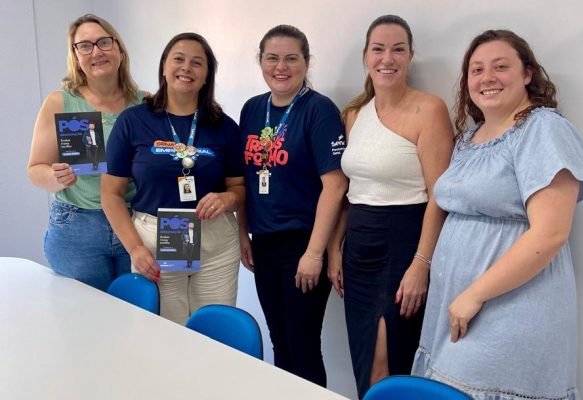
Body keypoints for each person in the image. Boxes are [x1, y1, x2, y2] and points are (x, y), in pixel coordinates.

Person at [411, 30, 583, 400]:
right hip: (457, 303)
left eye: (500, 67)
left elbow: (550, 233)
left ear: (527, 74)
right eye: (476, 70)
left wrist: (475, 294)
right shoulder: (469, 138)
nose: (487, 77)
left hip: (509, 306)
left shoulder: (543, 128)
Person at [336, 15, 454, 398]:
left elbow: (440, 196)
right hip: (358, 249)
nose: (387, 58)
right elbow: (349, 191)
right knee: (364, 359)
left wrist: (421, 264)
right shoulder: (354, 114)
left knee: (388, 362)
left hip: (402, 247)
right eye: (378, 49)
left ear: (410, 56)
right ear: (366, 56)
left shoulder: (429, 110)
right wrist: (335, 249)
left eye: (398, 49)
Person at [102, 33, 244, 325]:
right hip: (155, 242)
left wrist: (228, 198)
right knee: (166, 332)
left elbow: (239, 188)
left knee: (213, 331)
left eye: (197, 63)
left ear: (207, 75)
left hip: (216, 242)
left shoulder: (225, 126)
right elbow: (111, 194)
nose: (186, 68)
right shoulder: (133, 121)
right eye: (179, 59)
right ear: (164, 66)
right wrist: (135, 249)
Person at [238, 25, 347, 386]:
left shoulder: (319, 110)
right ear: (261, 61)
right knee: (280, 342)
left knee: (303, 346)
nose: (280, 67)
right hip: (264, 243)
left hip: (304, 244)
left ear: (306, 62)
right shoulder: (253, 109)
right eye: (272, 58)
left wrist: (315, 253)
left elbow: (336, 185)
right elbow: (245, 178)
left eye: (291, 58)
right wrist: (243, 233)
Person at [27, 14, 143, 291]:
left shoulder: (145, 104)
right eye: (85, 46)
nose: (96, 52)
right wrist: (55, 177)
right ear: (76, 56)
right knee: (84, 311)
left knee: (140, 310)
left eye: (104, 42)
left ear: (119, 49)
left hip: (135, 222)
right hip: (77, 226)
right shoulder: (59, 102)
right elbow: (35, 169)